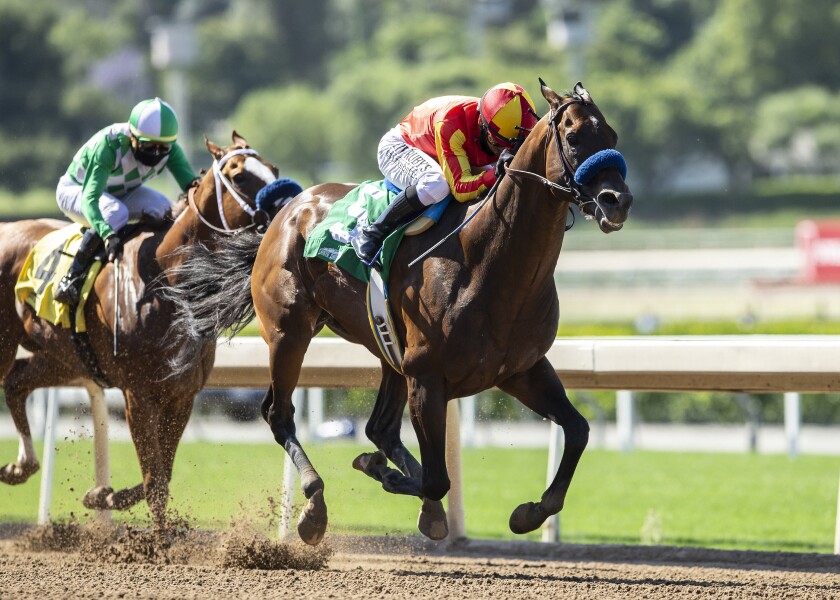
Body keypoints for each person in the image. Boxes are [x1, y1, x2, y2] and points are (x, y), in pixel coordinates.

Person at [351, 82, 539, 265]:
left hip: (446, 150)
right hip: (400, 147)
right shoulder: (452, 122)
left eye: (508, 147)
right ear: (482, 121)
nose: (499, 152)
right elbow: (460, 189)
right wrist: (495, 174)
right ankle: (373, 233)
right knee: (437, 185)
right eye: (497, 144)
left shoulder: (501, 123)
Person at [54, 97, 199, 305]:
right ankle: (72, 277)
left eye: (163, 148)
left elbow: (193, 187)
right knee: (115, 213)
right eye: (149, 147)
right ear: (132, 136)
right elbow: (90, 199)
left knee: (166, 210)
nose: (157, 153)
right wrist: (107, 233)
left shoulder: (171, 148)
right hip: (76, 191)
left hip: (123, 193)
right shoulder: (109, 145)